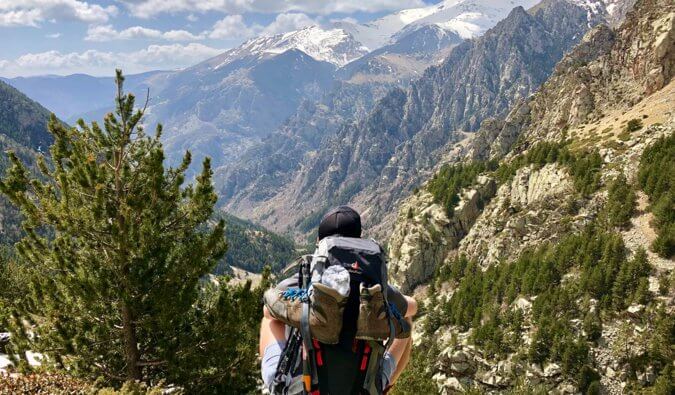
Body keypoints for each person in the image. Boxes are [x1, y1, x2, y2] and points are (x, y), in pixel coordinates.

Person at [259, 206, 417, 394]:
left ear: (319, 242)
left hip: (303, 388)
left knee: (270, 319)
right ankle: (383, 387)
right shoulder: (373, 283)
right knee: (406, 319)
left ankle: (279, 383)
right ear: (359, 240)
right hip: (363, 389)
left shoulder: (308, 276)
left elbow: (269, 310)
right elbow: (413, 306)